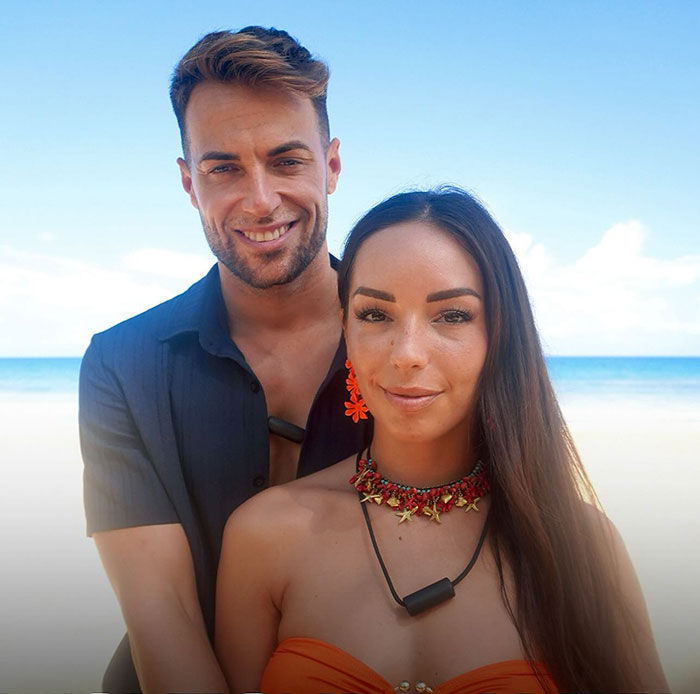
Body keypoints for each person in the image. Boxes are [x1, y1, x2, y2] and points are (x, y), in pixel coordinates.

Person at [215, 187, 669, 693]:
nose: (407, 353)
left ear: (499, 335)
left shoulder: (581, 545)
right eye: (375, 314)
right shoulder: (264, 536)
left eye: (452, 315)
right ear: (345, 326)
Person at [79, 27, 368, 693]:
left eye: (287, 161)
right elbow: (162, 611)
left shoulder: (413, 348)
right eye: (224, 168)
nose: (260, 199)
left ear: (332, 165)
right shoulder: (121, 365)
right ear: (188, 182)